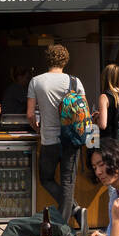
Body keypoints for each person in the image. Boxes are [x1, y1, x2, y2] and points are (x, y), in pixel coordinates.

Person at [27, 44, 87, 226]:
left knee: (46, 178)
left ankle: (63, 224)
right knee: (68, 182)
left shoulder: (36, 81)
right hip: (71, 139)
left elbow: (30, 114)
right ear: (65, 60)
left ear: (48, 60)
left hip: (49, 139)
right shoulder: (75, 81)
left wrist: (38, 128)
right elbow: (83, 112)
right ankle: (73, 211)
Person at [95, 63, 119, 143]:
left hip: (108, 143)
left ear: (105, 78)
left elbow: (103, 125)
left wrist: (96, 118)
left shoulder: (104, 96)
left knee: (91, 134)